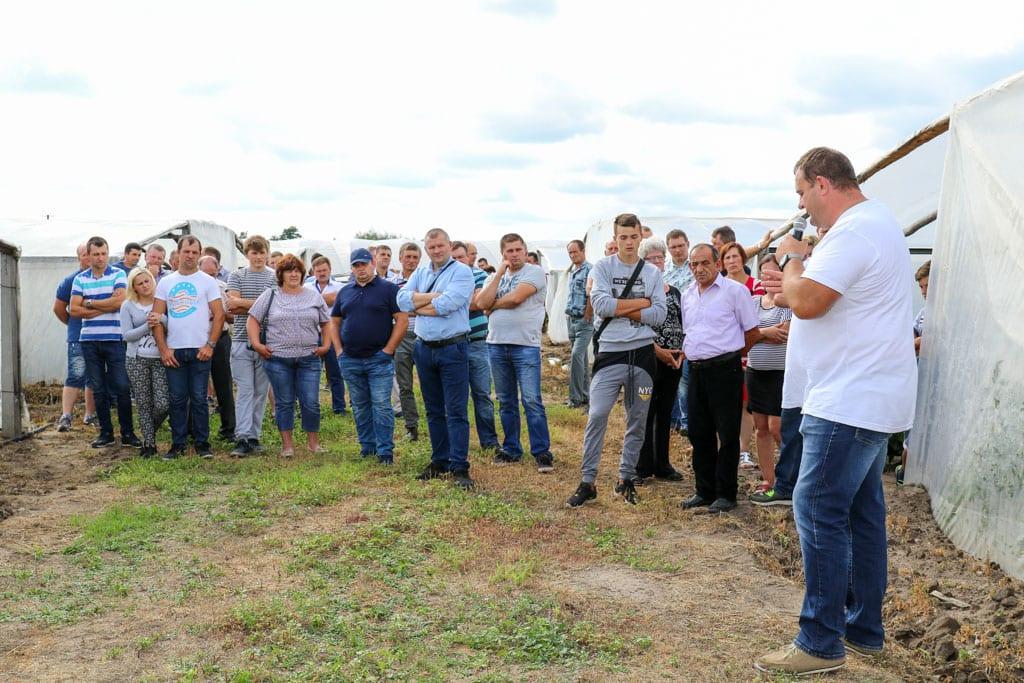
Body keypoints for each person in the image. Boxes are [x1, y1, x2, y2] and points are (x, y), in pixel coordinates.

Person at [754, 147, 917, 676]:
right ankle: (862, 629)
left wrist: (792, 262)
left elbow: (809, 301)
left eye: (802, 192)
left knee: (817, 507)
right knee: (861, 513)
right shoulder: (872, 226)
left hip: (850, 399)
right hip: (864, 396)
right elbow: (814, 297)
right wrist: (794, 285)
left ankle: (820, 641)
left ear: (823, 183)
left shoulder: (855, 232)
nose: (801, 205)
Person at [566, 213, 666, 507]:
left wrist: (620, 306)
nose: (629, 243)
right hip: (610, 352)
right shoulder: (603, 267)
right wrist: (642, 303)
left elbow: (659, 315)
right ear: (615, 238)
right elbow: (600, 306)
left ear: (640, 237)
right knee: (597, 414)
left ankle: (626, 478)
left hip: (643, 355)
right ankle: (588, 481)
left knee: (637, 419)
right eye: (623, 237)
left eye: (634, 237)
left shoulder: (652, 272)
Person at [678, 244, 760, 514]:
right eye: (694, 264)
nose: (699, 269)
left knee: (726, 433)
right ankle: (704, 490)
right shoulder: (688, 295)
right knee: (698, 432)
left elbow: (752, 332)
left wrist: (732, 356)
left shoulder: (735, 292)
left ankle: (726, 493)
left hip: (725, 369)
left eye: (704, 263)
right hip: (696, 370)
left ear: (717, 264)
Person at [397, 228, 475, 490]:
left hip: (452, 348)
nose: (437, 251)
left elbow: (448, 305)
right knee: (433, 409)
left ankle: (459, 466)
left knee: (456, 410)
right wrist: (432, 297)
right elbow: (402, 301)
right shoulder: (420, 272)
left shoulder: (461, 272)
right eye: (431, 247)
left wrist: (418, 305)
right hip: (424, 348)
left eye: (440, 246)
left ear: (449, 245)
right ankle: (440, 460)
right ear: (426, 249)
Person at [477, 233, 554, 473]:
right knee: (506, 400)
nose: (515, 254)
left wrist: (493, 305)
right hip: (496, 344)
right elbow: (480, 303)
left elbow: (516, 298)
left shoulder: (534, 272)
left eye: (518, 250)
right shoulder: (493, 277)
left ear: (525, 250)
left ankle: (541, 451)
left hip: (525, 345)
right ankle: (511, 448)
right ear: (503, 254)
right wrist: (499, 274)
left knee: (531, 400)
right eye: (509, 251)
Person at [247, 254, 332, 457]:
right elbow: (253, 319)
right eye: (289, 271)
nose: (293, 274)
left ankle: (314, 444)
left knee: (311, 402)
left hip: (309, 358)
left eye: (297, 271)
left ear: (302, 274)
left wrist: (326, 345)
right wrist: (257, 345)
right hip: (278, 359)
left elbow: (326, 322)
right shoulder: (270, 295)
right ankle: (287, 446)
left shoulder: (313, 295)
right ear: (281, 274)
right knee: (284, 402)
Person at [331, 248, 408, 464]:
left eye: (363, 264)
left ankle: (385, 452)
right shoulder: (345, 292)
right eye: (356, 265)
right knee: (360, 405)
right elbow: (334, 322)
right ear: (352, 268)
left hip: (378, 359)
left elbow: (402, 320)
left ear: (373, 263)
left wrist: (389, 350)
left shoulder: (388, 289)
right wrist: (339, 350)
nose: (360, 268)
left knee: (381, 405)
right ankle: (367, 447)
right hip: (351, 359)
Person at [152, 236, 225, 460]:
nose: (190, 256)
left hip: (200, 350)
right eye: (187, 251)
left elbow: (219, 314)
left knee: (199, 399)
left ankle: (202, 444)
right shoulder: (166, 282)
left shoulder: (207, 281)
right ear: (178, 253)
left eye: (195, 252)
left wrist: (210, 345)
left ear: (199, 254)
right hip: (175, 350)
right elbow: (156, 318)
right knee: (176, 400)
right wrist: (163, 350)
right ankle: (178, 444)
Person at [69, 236, 140, 449]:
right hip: (89, 341)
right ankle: (106, 433)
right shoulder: (80, 279)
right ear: (88, 256)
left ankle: (127, 433)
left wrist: (90, 303)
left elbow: (120, 302)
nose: (101, 258)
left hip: (114, 339)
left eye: (104, 254)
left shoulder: (118, 274)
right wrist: (106, 305)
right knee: (98, 388)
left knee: (121, 386)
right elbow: (74, 310)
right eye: (96, 254)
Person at [635, 237, 685, 482]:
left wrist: (680, 352)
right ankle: (642, 466)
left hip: (673, 361)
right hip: (648, 358)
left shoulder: (674, 291)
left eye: (659, 258)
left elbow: (682, 322)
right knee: (645, 412)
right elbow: (637, 326)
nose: (656, 262)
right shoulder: (639, 292)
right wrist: (658, 351)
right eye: (651, 259)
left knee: (665, 413)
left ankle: (662, 464)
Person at [225, 235, 277, 457]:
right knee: (245, 390)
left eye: (262, 252)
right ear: (247, 254)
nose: (258, 257)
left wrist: (242, 302)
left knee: (260, 391)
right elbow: (232, 307)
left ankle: (254, 436)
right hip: (240, 340)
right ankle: (242, 436)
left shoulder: (274, 277)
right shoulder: (237, 275)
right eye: (254, 253)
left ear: (267, 253)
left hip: (266, 342)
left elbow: (274, 306)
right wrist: (257, 303)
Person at [745, 253, 792, 493]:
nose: (769, 278)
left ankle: (791, 475)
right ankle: (769, 480)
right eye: (764, 274)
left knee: (777, 427)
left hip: (781, 374)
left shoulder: (788, 302)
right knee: (760, 427)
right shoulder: (753, 302)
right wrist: (765, 333)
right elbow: (745, 334)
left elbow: (784, 334)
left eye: (773, 273)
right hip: (756, 372)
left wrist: (757, 335)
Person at [452, 241, 499, 453]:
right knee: (456, 397)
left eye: (461, 257)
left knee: (482, 393)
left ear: (468, 257)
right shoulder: (444, 277)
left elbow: (478, 303)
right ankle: (458, 444)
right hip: (454, 344)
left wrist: (450, 301)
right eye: (453, 258)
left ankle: (489, 441)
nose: (458, 261)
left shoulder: (480, 275)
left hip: (478, 343)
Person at [721, 240, 764, 469]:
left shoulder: (755, 285)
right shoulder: (718, 286)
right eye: (727, 257)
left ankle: (744, 451)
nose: (732, 261)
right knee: (722, 404)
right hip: (724, 351)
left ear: (743, 259)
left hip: (748, 351)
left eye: (735, 256)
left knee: (744, 405)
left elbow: (755, 320)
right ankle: (723, 448)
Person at [120, 267, 168, 457]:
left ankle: (148, 430)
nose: (144, 285)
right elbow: (127, 335)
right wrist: (148, 325)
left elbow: (173, 326)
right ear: (134, 287)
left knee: (163, 403)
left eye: (147, 281)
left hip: (160, 359)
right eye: (140, 284)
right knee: (143, 402)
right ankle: (149, 444)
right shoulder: (128, 306)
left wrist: (161, 319)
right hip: (137, 359)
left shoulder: (162, 302)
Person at [53, 243, 96, 431]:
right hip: (78, 337)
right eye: (85, 254)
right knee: (76, 374)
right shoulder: (70, 281)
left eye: (91, 254)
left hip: (97, 335)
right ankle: (66, 416)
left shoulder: (104, 278)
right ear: (79, 257)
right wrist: (72, 324)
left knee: (93, 377)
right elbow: (58, 308)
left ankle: (90, 415)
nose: (89, 258)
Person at [896, 260, 931, 485]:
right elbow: (911, 339)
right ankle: (905, 474)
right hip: (919, 380)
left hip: (936, 385)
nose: (924, 291)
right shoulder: (924, 312)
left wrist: (918, 343)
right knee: (912, 426)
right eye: (921, 287)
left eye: (927, 286)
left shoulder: (951, 313)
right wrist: (914, 341)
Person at [199, 254, 236, 442]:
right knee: (197, 387)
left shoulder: (223, 288)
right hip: (198, 340)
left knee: (224, 386)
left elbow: (233, 317)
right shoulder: (193, 288)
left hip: (221, 339)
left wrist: (219, 314)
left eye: (212, 274)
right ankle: (196, 431)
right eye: (205, 274)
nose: (209, 278)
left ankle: (229, 429)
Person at [304, 256, 347, 415]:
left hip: (332, 333)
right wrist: (329, 298)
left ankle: (339, 407)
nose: (322, 273)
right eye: (318, 271)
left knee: (335, 371)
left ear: (330, 270)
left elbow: (341, 305)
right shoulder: (305, 287)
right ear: (313, 272)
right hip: (310, 333)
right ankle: (311, 407)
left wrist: (313, 301)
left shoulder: (341, 287)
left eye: (324, 270)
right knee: (310, 373)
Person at [391, 242, 422, 441]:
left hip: (423, 336)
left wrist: (405, 309)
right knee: (404, 385)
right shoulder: (391, 284)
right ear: (400, 258)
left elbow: (435, 305)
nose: (411, 261)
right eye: (408, 257)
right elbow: (393, 309)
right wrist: (418, 308)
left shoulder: (427, 280)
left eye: (415, 257)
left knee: (430, 383)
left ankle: (437, 422)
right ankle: (411, 427)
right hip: (402, 337)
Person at [663, 229, 693, 435]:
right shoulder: (664, 272)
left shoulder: (696, 268)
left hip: (692, 328)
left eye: (681, 245)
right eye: (673, 247)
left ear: (687, 244)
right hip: (672, 331)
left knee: (686, 377)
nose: (677, 250)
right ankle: (675, 419)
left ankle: (686, 421)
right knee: (674, 375)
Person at [564, 239, 592, 409]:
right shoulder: (573, 271)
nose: (573, 255)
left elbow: (591, 294)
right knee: (581, 358)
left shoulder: (590, 270)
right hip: (572, 318)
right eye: (570, 253)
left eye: (575, 251)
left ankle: (574, 399)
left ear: (583, 251)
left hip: (583, 320)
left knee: (576, 356)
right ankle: (585, 395)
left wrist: (588, 313)